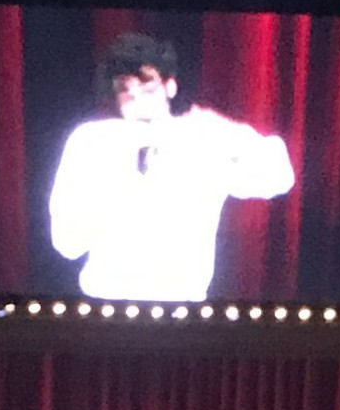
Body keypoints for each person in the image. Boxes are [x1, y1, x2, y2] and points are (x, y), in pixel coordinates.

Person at [44, 29, 294, 302]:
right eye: (124, 90)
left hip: (180, 313)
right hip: (105, 309)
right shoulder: (91, 141)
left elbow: (279, 177)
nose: (136, 99)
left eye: (147, 86)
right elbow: (66, 242)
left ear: (169, 86)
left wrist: (227, 130)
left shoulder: (201, 139)